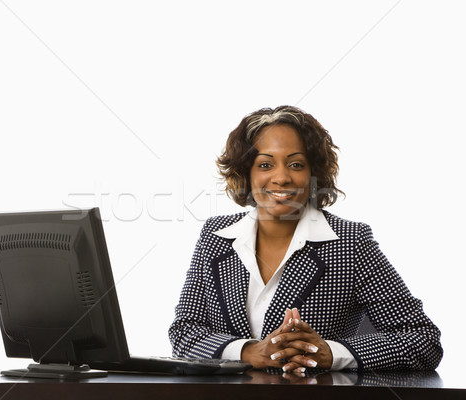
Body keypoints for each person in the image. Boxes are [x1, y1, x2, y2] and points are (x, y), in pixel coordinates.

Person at [168, 105, 443, 373]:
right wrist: (248, 352)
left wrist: (331, 354)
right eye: (265, 164)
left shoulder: (350, 242)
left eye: (296, 164)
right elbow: (184, 334)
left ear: (313, 174)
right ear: (246, 174)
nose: (281, 178)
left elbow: (423, 339)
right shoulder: (216, 236)